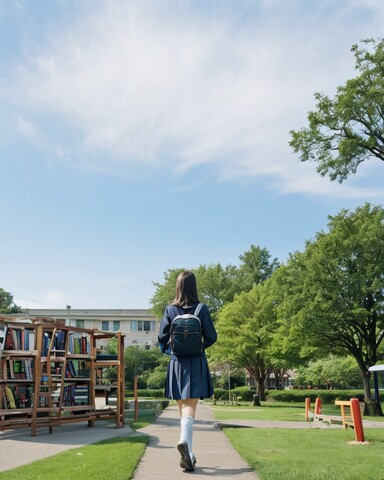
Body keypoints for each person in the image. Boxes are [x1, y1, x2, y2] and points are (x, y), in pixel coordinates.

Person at [158, 271, 217, 472]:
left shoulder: (170, 309)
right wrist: (199, 348)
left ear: (178, 287)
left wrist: (170, 351)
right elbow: (212, 336)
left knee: (183, 408)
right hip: (196, 362)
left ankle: (188, 455)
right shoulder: (202, 309)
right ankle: (185, 443)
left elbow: (161, 339)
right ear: (194, 286)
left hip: (177, 363)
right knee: (190, 406)